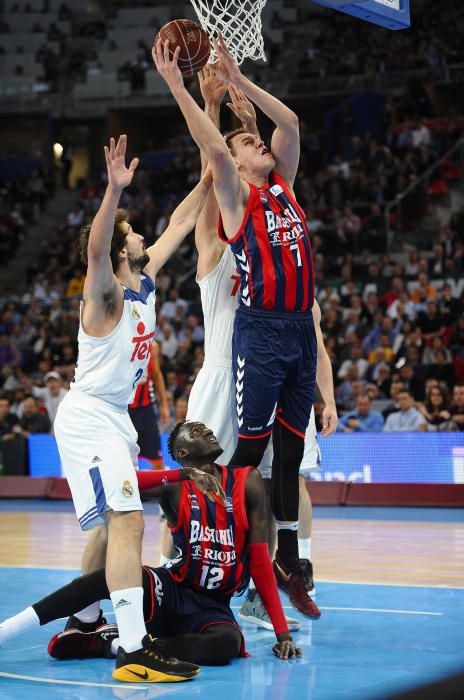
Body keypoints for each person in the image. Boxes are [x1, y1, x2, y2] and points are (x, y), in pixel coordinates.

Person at [154, 35, 319, 615]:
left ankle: (269, 578)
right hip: (232, 362)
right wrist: (197, 95)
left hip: (283, 341)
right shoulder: (219, 228)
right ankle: (186, 569)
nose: (257, 146)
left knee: (281, 474)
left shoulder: (281, 192)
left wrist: (239, 98)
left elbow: (285, 130)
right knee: (210, 483)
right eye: (250, 144)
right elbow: (214, 163)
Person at [52, 134, 214, 682]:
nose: (144, 233)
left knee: (106, 530)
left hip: (116, 417)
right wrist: (113, 191)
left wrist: (217, 169)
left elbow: (181, 224)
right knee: (128, 521)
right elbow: (96, 250)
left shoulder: (143, 282)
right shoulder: (105, 294)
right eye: (132, 231)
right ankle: (132, 648)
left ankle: (83, 623)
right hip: (90, 413)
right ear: (123, 247)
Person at [0, 421, 301, 678]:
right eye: (197, 430)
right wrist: (183, 475)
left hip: (212, 605)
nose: (208, 430)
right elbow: (115, 481)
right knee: (108, 578)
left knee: (226, 645)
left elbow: (261, 562)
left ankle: (113, 644)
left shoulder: (247, 481)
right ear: (182, 453)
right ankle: (7, 630)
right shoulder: (174, 486)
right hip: (171, 590)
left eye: (206, 427)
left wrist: (282, 633)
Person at [128, 341, 169, 470]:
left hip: (146, 410)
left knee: (157, 461)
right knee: (124, 461)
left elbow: (157, 374)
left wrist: (164, 406)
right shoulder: (121, 341)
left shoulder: (153, 345)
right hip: (124, 410)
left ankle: (160, 489)